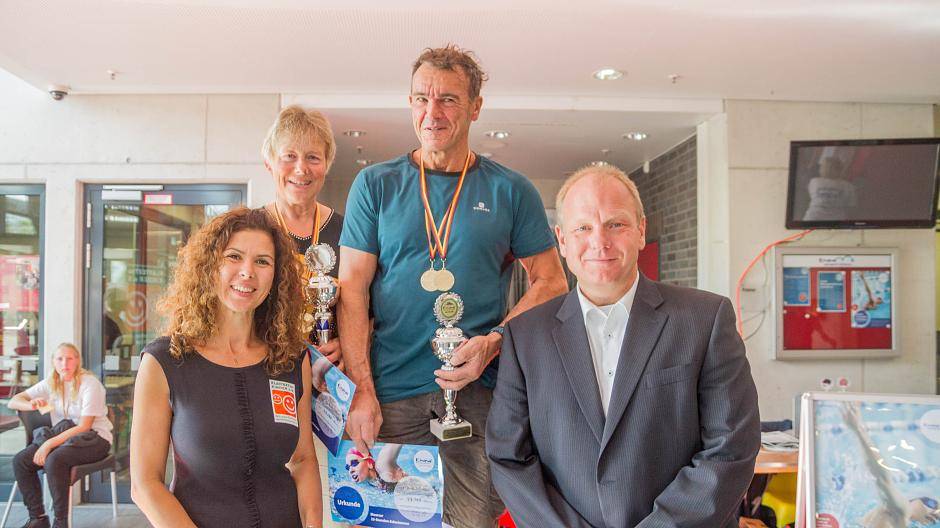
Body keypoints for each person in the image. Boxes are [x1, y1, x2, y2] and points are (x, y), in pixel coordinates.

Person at [338, 44, 568, 527]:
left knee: (473, 522)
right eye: (422, 98)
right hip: (388, 392)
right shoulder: (375, 185)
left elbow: (551, 281)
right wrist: (360, 389)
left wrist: (494, 342)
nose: (432, 111)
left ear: (475, 107)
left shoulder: (510, 190)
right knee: (383, 516)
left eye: (448, 99)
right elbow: (352, 290)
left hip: (478, 394)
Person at [486, 164, 761, 527]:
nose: (599, 241)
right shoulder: (524, 336)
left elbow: (731, 447)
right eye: (583, 227)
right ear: (562, 240)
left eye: (615, 224)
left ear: (641, 231)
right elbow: (508, 456)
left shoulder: (705, 318)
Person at [130, 207, 321, 528]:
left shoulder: (291, 358)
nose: (248, 272)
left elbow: (302, 460)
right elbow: (145, 484)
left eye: (262, 261)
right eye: (233, 256)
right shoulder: (165, 361)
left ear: (276, 276)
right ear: (209, 266)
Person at [262, 105, 343, 365]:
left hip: (330, 377)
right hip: (263, 371)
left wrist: (347, 345)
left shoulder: (349, 232)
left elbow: (370, 311)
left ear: (327, 165)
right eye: (289, 156)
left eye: (313, 158)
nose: (301, 169)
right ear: (269, 163)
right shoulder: (248, 231)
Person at [8, 343, 113, 528]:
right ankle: (38, 518)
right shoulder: (51, 382)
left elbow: (84, 426)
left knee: (54, 460)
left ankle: (60, 522)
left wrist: (47, 445)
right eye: (60, 358)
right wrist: (32, 404)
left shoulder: (90, 384)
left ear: (78, 360)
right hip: (64, 437)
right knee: (21, 461)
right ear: (53, 362)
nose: (65, 363)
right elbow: (14, 402)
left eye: (70, 358)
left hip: (95, 438)